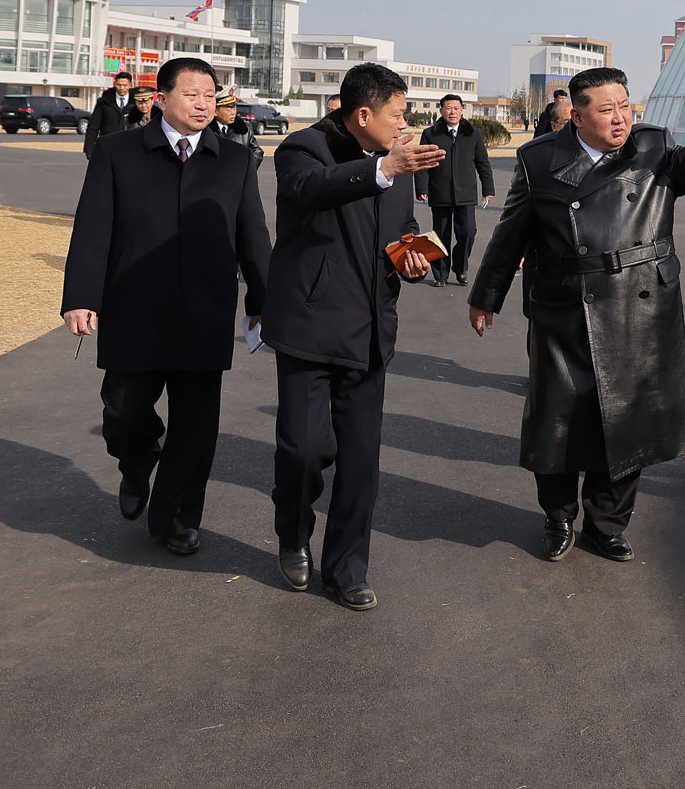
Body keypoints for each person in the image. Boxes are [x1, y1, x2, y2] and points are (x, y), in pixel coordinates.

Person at [469, 68, 685, 563]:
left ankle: (607, 524)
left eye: (626, 105)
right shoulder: (540, 159)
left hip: (639, 306)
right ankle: (558, 516)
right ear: (577, 113)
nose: (621, 118)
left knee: (626, 421)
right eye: (608, 108)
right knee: (557, 421)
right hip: (563, 307)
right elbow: (511, 233)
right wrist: (486, 294)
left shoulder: (653, 147)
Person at [60, 57, 270, 557]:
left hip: (205, 312)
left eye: (209, 95)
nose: (203, 104)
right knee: (125, 412)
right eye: (192, 95)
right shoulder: (117, 152)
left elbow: (253, 236)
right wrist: (81, 298)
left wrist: (264, 298)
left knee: (196, 429)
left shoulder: (235, 159)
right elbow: (93, 230)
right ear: (161, 99)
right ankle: (136, 463)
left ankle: (178, 517)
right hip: (135, 309)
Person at [263, 63, 445, 610]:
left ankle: (346, 569)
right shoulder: (303, 149)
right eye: (398, 112)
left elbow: (397, 233)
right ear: (362, 114)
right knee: (303, 451)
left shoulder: (398, 163)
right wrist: (385, 169)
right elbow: (312, 191)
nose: (405, 121)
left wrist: (411, 258)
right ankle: (293, 534)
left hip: (370, 332)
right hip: (310, 328)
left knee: (361, 461)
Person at [414, 93, 493, 287]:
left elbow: (482, 162)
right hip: (440, 191)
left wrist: (487, 188)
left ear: (462, 110)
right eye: (448, 108)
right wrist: (421, 188)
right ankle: (440, 274)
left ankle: (460, 267)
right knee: (440, 236)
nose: (452, 112)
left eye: (456, 108)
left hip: (466, 193)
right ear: (441, 110)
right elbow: (423, 163)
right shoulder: (430, 134)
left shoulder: (473, 133)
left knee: (468, 232)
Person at [84, 71, 139, 158]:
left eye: (125, 85)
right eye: (119, 85)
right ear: (115, 83)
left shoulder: (137, 102)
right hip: (108, 146)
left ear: (130, 85)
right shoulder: (104, 102)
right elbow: (93, 127)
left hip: (130, 147)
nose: (121, 88)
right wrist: (89, 149)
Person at [214, 88, 261, 163]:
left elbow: (257, 152)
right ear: (215, 111)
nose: (233, 112)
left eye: (234, 108)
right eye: (229, 108)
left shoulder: (244, 129)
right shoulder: (205, 130)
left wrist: (246, 170)